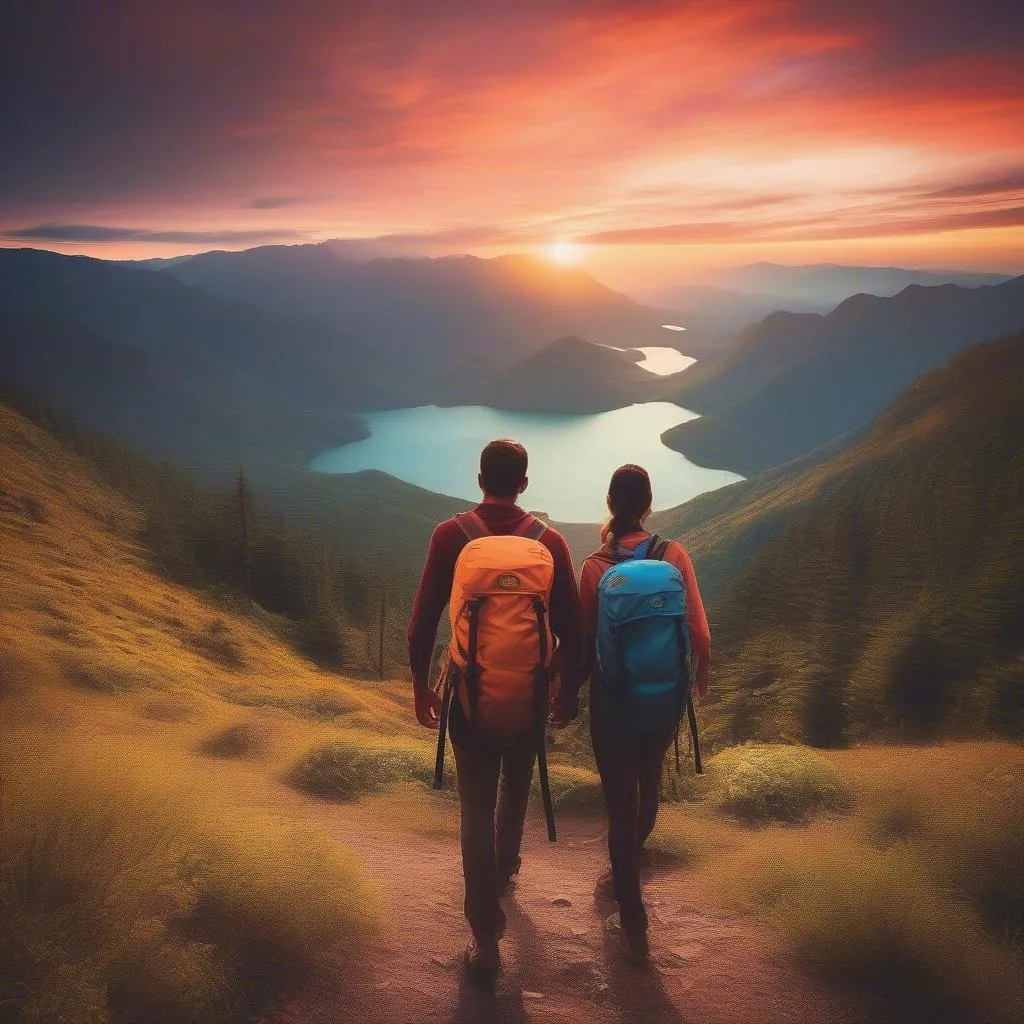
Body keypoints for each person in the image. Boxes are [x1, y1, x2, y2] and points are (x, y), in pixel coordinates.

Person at [407, 438, 583, 974]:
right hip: (528, 698)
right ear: (524, 484)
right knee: (517, 783)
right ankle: (507, 867)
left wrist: (421, 685)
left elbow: (423, 622)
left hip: (467, 696)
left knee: (474, 805)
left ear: (480, 478)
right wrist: (565, 689)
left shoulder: (450, 536)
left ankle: (484, 933)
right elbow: (573, 631)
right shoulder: (549, 541)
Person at [579, 464, 711, 963]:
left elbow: (587, 640)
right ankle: (630, 856)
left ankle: (632, 914)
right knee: (649, 780)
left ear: (611, 503)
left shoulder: (596, 565)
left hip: (613, 702)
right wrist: (698, 679)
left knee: (619, 802)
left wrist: (566, 691)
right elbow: (699, 633)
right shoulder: (673, 556)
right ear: (650, 505)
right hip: (663, 695)